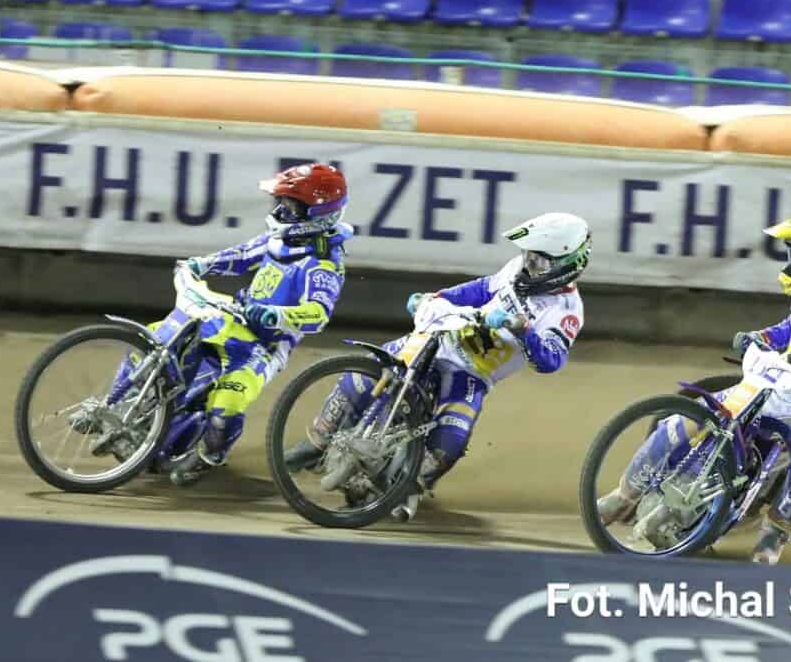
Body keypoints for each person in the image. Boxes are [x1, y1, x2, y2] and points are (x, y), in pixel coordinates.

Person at [599, 210, 791, 564]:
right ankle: (623, 496)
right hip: (768, 387)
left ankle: (773, 536)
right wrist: (760, 337)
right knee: (683, 421)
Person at [285, 212, 591, 519]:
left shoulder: (567, 312)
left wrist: (523, 330)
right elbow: (481, 289)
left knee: (451, 442)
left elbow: (550, 361)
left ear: (566, 265)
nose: (528, 265)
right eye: (527, 256)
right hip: (442, 338)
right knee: (364, 374)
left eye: (538, 262)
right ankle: (316, 443)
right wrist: (437, 298)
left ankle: (406, 486)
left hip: (471, 374)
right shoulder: (517, 269)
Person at [168, 163, 352, 486]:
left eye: (290, 206)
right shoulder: (278, 240)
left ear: (316, 214)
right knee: (169, 340)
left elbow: (318, 313)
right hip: (233, 318)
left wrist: (276, 315)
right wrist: (201, 264)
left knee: (227, 403)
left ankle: (209, 455)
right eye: (281, 202)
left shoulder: (323, 263)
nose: (280, 211)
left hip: (265, 347)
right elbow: (242, 255)